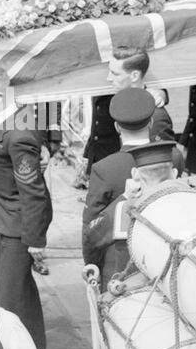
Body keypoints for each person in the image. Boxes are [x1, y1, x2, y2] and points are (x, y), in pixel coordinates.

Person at [0, 64, 52, 349]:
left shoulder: (17, 134)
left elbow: (33, 190)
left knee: (11, 295)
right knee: (21, 288)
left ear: (2, 94)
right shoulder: (2, 120)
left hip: (19, 224)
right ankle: (35, 345)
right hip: (5, 217)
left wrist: (34, 240)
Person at [83, 140, 179, 289]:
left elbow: (91, 238)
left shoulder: (123, 210)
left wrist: (125, 197)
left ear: (134, 174)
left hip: (128, 294)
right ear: (175, 174)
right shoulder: (187, 206)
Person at [82, 87, 181, 227]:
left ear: (116, 127)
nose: (110, 77)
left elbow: (91, 228)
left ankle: (38, 242)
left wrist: (51, 136)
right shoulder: (176, 157)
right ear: (151, 123)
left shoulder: (102, 169)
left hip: (113, 163)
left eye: (115, 73)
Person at [76, 46, 172, 180]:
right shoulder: (109, 93)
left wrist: (161, 93)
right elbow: (98, 128)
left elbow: (163, 162)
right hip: (105, 167)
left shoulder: (154, 114)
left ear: (134, 76)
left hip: (135, 178)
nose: (108, 78)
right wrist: (89, 156)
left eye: (114, 74)